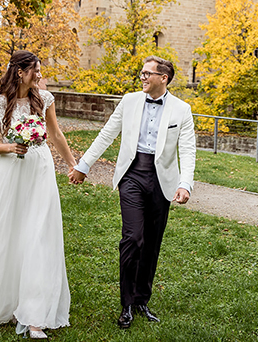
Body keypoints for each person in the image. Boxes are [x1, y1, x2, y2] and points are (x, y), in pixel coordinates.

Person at [0, 50, 78, 340]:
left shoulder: (44, 99)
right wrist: (10, 147)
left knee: (39, 235)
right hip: (11, 174)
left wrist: (74, 164)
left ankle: (35, 315)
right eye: (35, 69)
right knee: (8, 234)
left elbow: (56, 135)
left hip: (40, 171)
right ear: (20, 72)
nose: (40, 74)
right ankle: (4, 300)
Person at [68, 56, 196, 329]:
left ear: (164, 78)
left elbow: (187, 150)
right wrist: (83, 165)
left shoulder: (182, 110)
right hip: (132, 175)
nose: (143, 78)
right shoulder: (129, 101)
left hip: (162, 181)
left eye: (148, 73)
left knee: (151, 243)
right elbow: (106, 134)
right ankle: (126, 303)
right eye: (141, 73)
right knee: (133, 238)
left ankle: (141, 300)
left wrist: (185, 184)